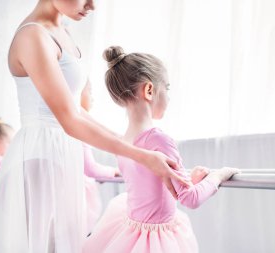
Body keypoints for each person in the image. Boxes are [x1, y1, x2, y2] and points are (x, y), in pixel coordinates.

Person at [0, 1, 188, 252]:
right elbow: (69, 118)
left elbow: (74, 108)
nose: (92, 5)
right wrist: (143, 155)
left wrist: (131, 145)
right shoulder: (32, 35)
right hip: (39, 156)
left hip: (62, 152)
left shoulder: (62, 31)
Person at [83, 46, 240, 253]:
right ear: (149, 90)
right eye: (166, 88)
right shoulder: (159, 139)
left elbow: (152, 187)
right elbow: (190, 199)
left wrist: (189, 180)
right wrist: (218, 176)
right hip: (156, 240)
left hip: (131, 231)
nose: (168, 96)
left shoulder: (123, 141)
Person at [81, 81, 121, 234]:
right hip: (77, 199)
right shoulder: (79, 130)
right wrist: (112, 171)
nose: (93, 98)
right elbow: (90, 169)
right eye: (90, 92)